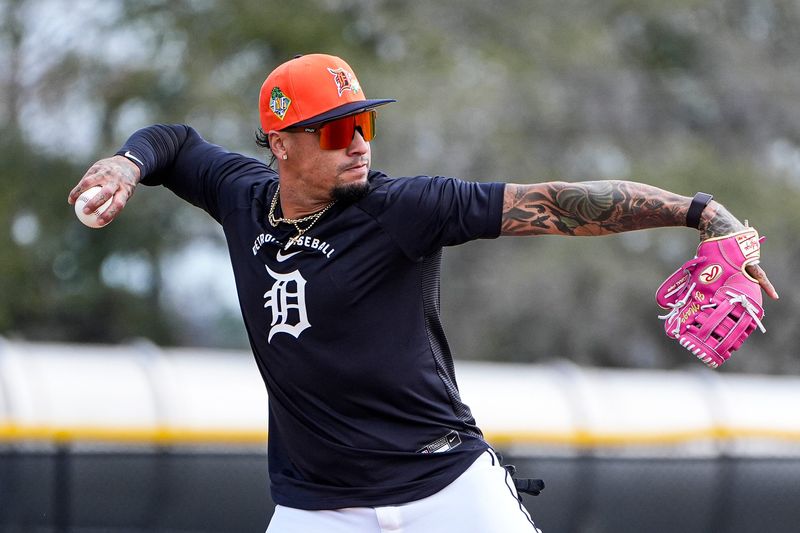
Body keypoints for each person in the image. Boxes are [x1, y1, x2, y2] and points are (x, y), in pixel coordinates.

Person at [68, 53, 777, 532]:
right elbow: (175, 141)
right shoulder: (241, 194)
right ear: (281, 145)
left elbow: (558, 202)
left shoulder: (403, 207)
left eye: (365, 123)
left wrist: (697, 210)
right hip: (320, 505)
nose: (359, 142)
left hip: (445, 481)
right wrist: (128, 164)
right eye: (338, 129)